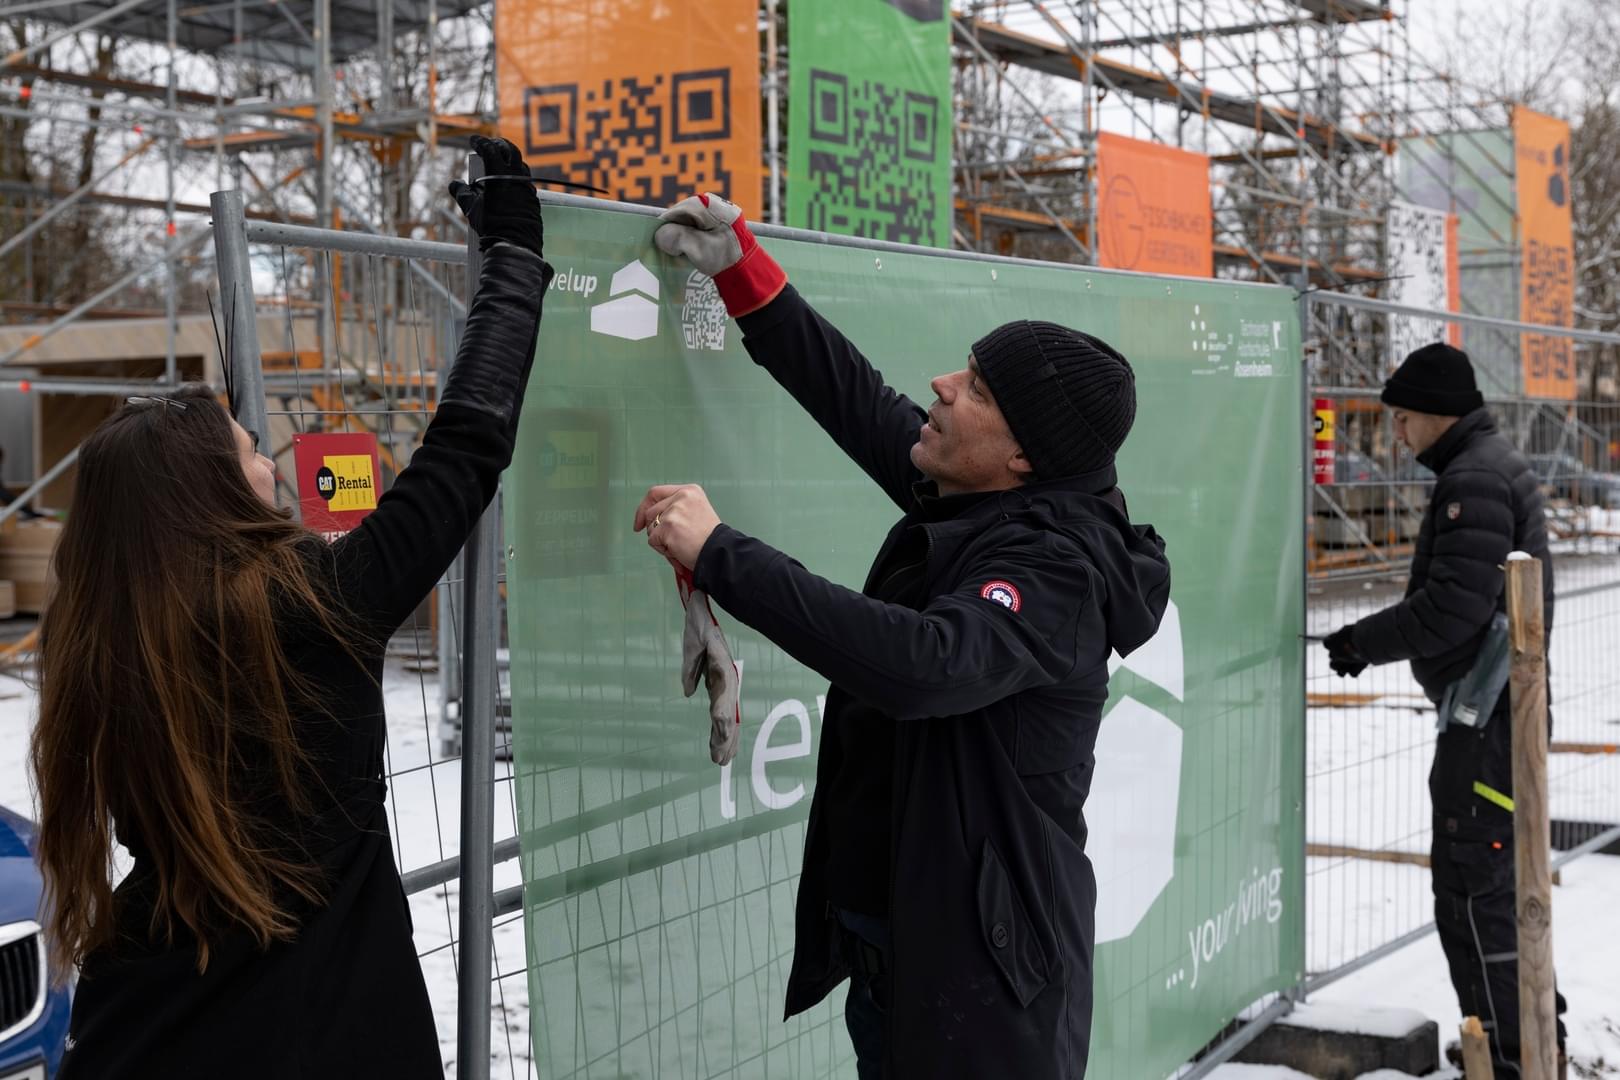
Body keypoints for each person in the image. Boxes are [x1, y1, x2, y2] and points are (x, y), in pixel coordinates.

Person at [31, 135, 551, 1079]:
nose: (272, 464)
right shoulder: (312, 614)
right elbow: (468, 442)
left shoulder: (98, 651)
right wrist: (514, 260)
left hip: (148, 1025)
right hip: (338, 1031)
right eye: (248, 450)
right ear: (206, 498)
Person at [639, 193, 1171, 1079]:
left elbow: (924, 664)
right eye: (967, 368)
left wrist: (723, 554)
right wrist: (744, 271)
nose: (943, 386)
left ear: (1025, 457)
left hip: (981, 999)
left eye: (978, 390)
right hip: (913, 964)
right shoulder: (984, 492)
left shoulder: (1056, 567)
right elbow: (855, 400)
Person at [1323, 343, 1567, 1076]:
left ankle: (1513, 1053)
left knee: (1475, 889)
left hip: (1487, 727)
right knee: (1490, 885)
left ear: (1434, 415)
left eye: (1401, 420)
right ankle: (1526, 1039)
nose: (1396, 435)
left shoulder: (1476, 478)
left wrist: (1362, 641)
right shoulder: (1485, 466)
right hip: (1493, 719)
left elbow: (1456, 607)